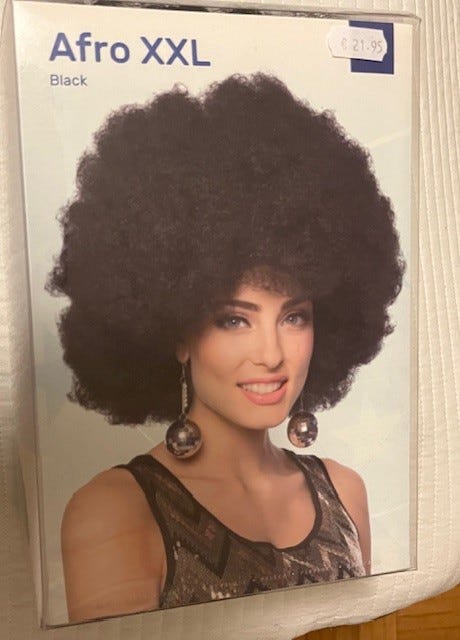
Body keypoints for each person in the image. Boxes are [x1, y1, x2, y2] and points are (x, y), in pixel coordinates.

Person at [47, 73, 404, 622]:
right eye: (234, 319)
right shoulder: (117, 512)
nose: (271, 354)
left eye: (294, 316)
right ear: (177, 335)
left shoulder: (345, 492)